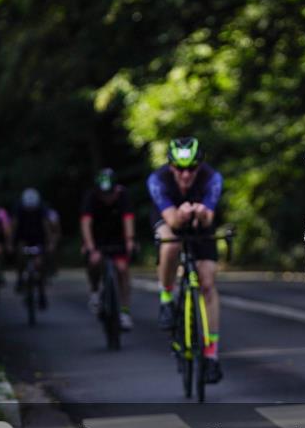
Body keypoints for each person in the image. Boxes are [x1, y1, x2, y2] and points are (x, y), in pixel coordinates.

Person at [147, 137, 224, 383]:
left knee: (208, 284)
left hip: (199, 226)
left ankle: (211, 355)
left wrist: (201, 215)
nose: (186, 174)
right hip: (170, 219)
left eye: (192, 168)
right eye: (180, 169)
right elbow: (172, 221)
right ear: (170, 166)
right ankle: (166, 297)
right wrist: (182, 214)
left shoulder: (212, 178)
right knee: (171, 245)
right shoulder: (157, 180)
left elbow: (209, 218)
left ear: (200, 165)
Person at [80, 168, 136, 330]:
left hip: (118, 237)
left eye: (110, 194)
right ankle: (95, 292)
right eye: (103, 194)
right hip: (97, 238)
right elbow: (86, 223)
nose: (107, 198)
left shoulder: (123, 195)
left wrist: (130, 241)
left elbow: (128, 219)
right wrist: (90, 247)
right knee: (94, 261)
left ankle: (124, 312)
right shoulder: (90, 197)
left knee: (122, 269)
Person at [12, 188, 57, 308]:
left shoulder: (42, 210)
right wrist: (11, 242)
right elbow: (15, 227)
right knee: (20, 255)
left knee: (40, 264)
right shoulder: (19, 209)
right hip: (23, 237)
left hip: (39, 238)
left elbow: (46, 226)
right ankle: (20, 278)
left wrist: (50, 242)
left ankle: (42, 293)